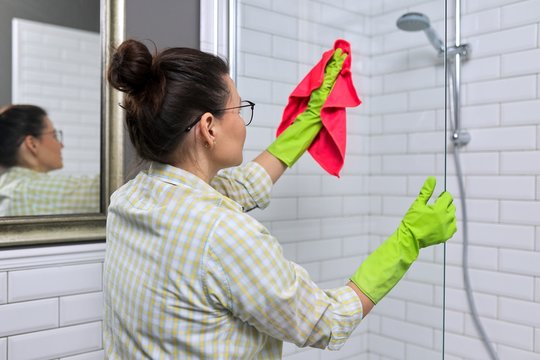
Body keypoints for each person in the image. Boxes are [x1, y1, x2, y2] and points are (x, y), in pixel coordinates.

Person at [103, 39, 457, 359]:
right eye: (239, 111)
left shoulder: (127, 201)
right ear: (209, 127)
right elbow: (328, 321)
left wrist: (310, 118)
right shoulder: (225, 235)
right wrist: (407, 241)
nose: (243, 122)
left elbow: (242, 186)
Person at [0, 104, 99, 216]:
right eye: (54, 135)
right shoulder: (25, 191)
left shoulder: (7, 187)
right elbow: (105, 188)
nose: (61, 145)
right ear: (32, 144)